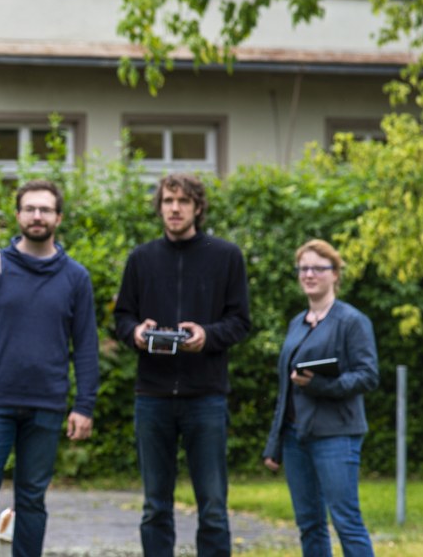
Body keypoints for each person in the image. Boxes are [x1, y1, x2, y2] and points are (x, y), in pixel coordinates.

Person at [0, 179, 100, 557]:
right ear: (18, 215)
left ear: (58, 217)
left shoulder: (76, 277)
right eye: (30, 209)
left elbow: (86, 345)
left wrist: (84, 405)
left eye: (46, 209)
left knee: (33, 501)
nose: (38, 216)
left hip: (46, 405)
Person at [113, 172, 251, 557]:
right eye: (168, 201)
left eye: (183, 201)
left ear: (198, 207)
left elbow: (240, 322)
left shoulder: (226, 257)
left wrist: (208, 336)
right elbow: (121, 317)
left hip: (205, 396)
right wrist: (136, 333)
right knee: (155, 506)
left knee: (213, 506)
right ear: (159, 207)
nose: (175, 208)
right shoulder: (141, 258)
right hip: (152, 396)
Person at [262, 239, 378, 557]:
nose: (309, 274)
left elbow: (368, 376)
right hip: (296, 437)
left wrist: (319, 386)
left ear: (335, 274)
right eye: (304, 268)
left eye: (318, 268)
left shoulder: (352, 321)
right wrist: (275, 442)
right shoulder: (297, 323)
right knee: (309, 524)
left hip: (336, 435)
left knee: (346, 521)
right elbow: (286, 389)